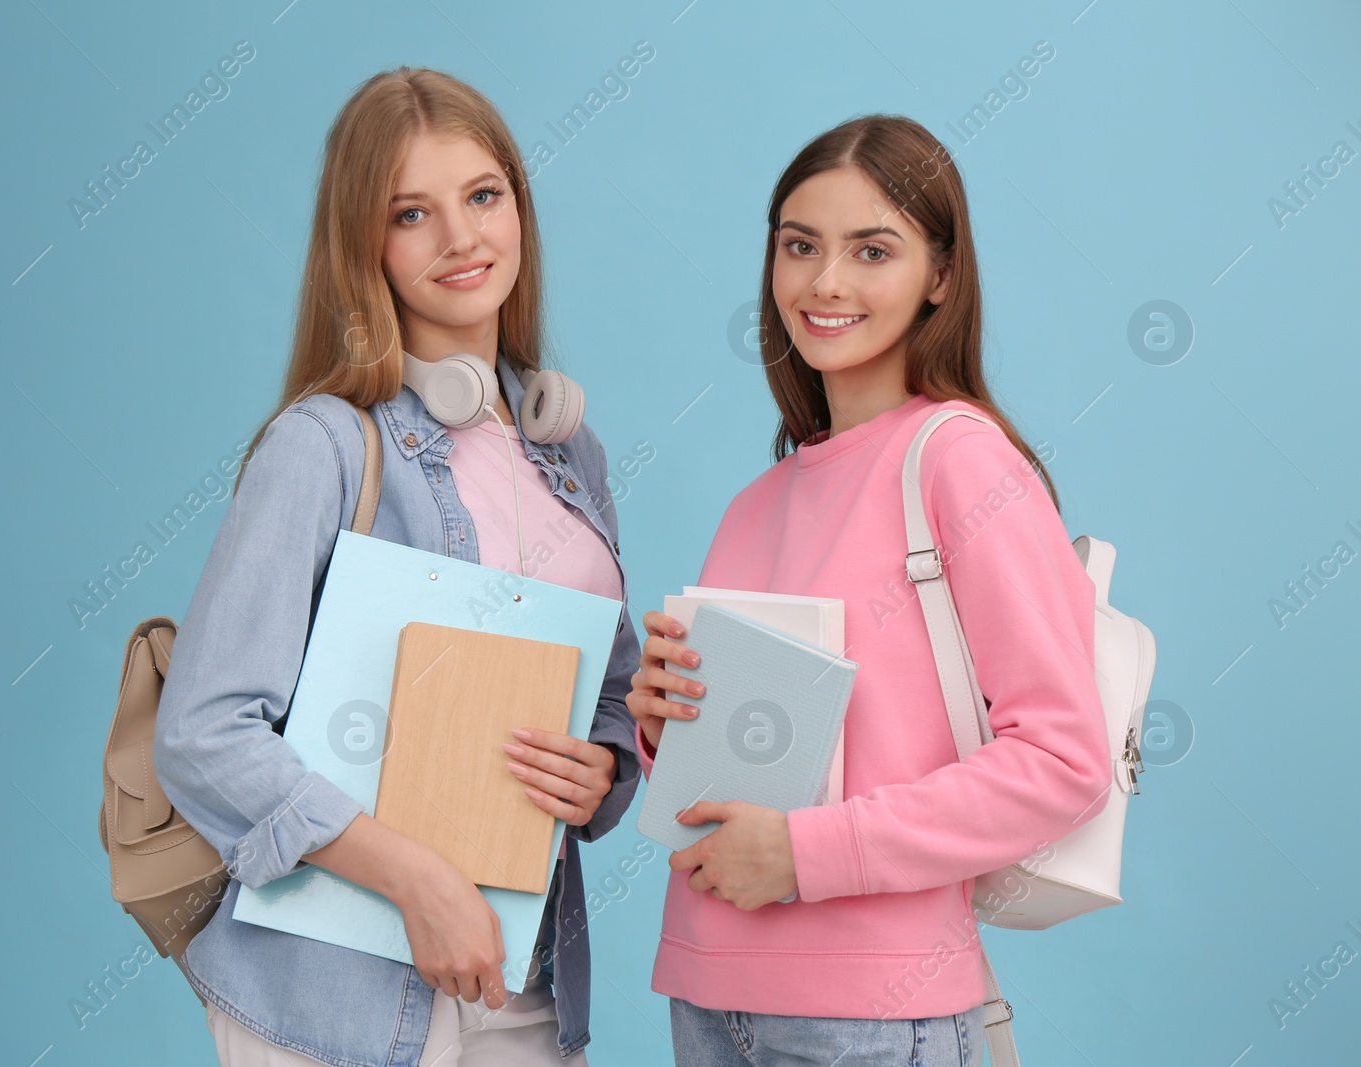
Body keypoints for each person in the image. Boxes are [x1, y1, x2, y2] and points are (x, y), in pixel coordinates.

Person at [152, 67, 641, 1067]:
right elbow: (203, 734)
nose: (461, 238)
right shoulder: (323, 445)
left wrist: (605, 766)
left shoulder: (570, 453)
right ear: (363, 243)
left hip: (521, 975)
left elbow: (607, 700)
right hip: (339, 1000)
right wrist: (417, 877)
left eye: (482, 196)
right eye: (411, 212)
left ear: (517, 206)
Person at [625, 114, 1111, 1066]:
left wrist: (807, 858)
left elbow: (1065, 760)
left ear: (940, 275)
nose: (825, 283)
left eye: (871, 250)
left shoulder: (961, 462)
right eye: (800, 246)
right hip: (707, 988)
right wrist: (662, 724)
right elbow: (745, 780)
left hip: (873, 1013)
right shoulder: (755, 503)